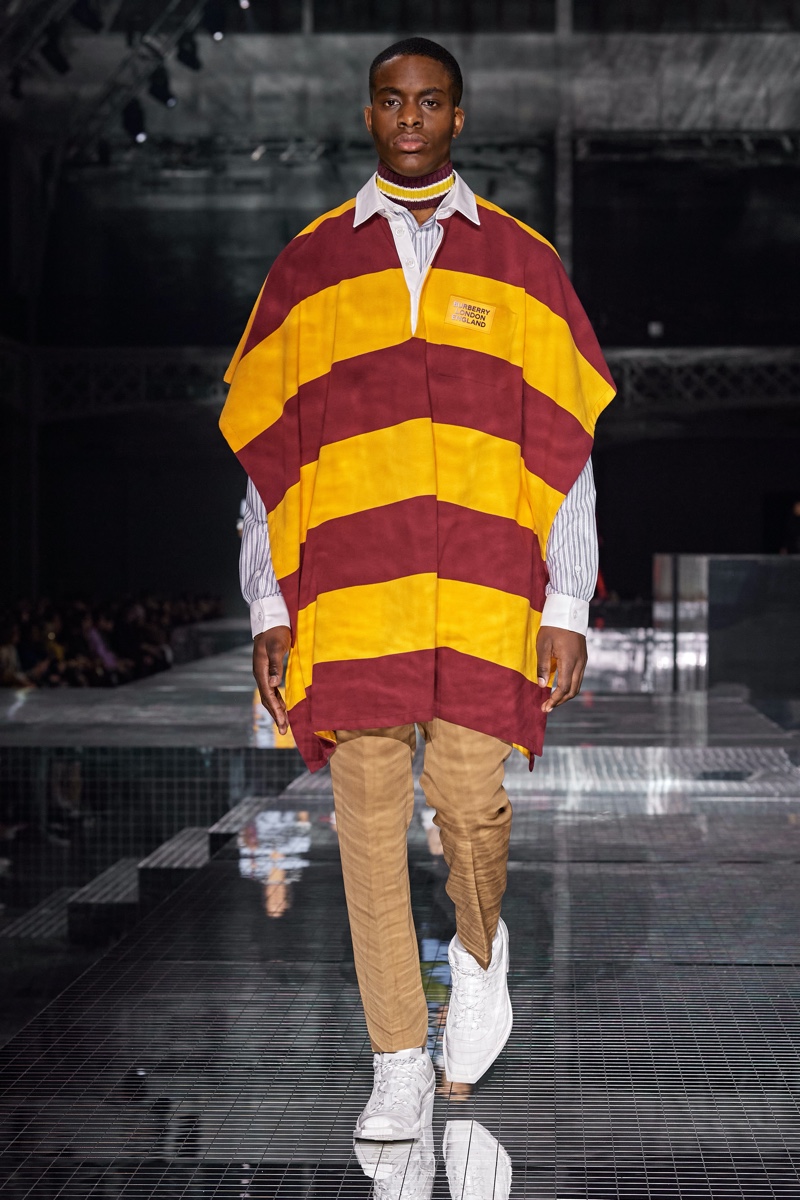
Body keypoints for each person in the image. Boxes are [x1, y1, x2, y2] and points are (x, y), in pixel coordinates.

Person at [221, 38, 614, 1141]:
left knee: (470, 807)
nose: (409, 117)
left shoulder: (522, 262)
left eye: (428, 101)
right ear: (368, 115)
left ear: (456, 117)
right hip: (351, 597)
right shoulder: (309, 265)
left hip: (485, 593)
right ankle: (397, 1056)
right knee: (364, 823)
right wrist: (267, 603)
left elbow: (566, 449)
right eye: (391, 100)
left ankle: (480, 958)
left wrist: (567, 602)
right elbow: (268, 458)